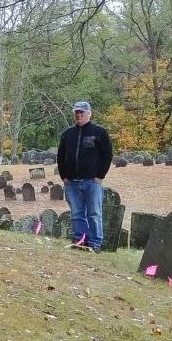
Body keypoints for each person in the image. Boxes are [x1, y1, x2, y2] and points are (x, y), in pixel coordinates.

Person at [56, 101, 113, 251]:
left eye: (82, 112)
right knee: (77, 213)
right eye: (76, 112)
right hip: (72, 182)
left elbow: (107, 155)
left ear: (89, 114)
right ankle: (80, 239)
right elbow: (60, 156)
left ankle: (95, 243)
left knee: (94, 213)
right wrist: (64, 177)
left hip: (92, 181)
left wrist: (100, 176)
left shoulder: (99, 132)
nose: (79, 115)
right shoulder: (67, 134)